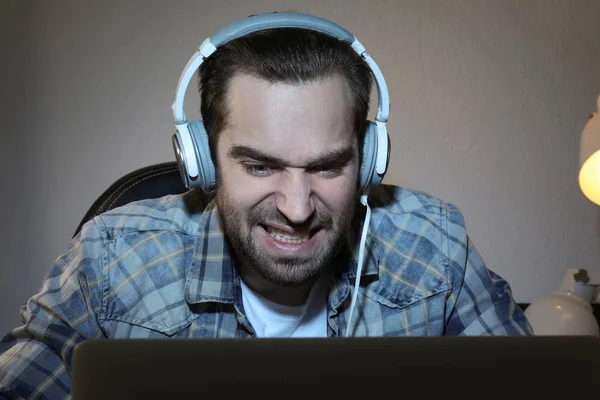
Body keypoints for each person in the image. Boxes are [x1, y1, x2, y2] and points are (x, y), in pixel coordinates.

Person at [0, 11, 532, 399]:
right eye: (260, 166)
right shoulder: (110, 260)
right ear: (203, 162)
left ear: (369, 160)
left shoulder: (434, 248)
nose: (297, 209)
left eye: (327, 167)